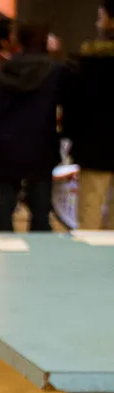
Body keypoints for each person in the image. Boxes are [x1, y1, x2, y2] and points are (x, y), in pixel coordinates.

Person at [0, 23, 69, 233]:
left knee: (4, 209)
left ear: (17, 42)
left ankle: (2, 258)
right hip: (42, 147)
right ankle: (39, 260)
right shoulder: (55, 71)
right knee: (41, 212)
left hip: (6, 150)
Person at [66, 0, 114, 230]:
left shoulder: (89, 62)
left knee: (89, 217)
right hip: (96, 147)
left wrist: (71, 139)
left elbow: (74, 106)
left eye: (101, 17)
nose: (98, 23)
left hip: (94, 150)